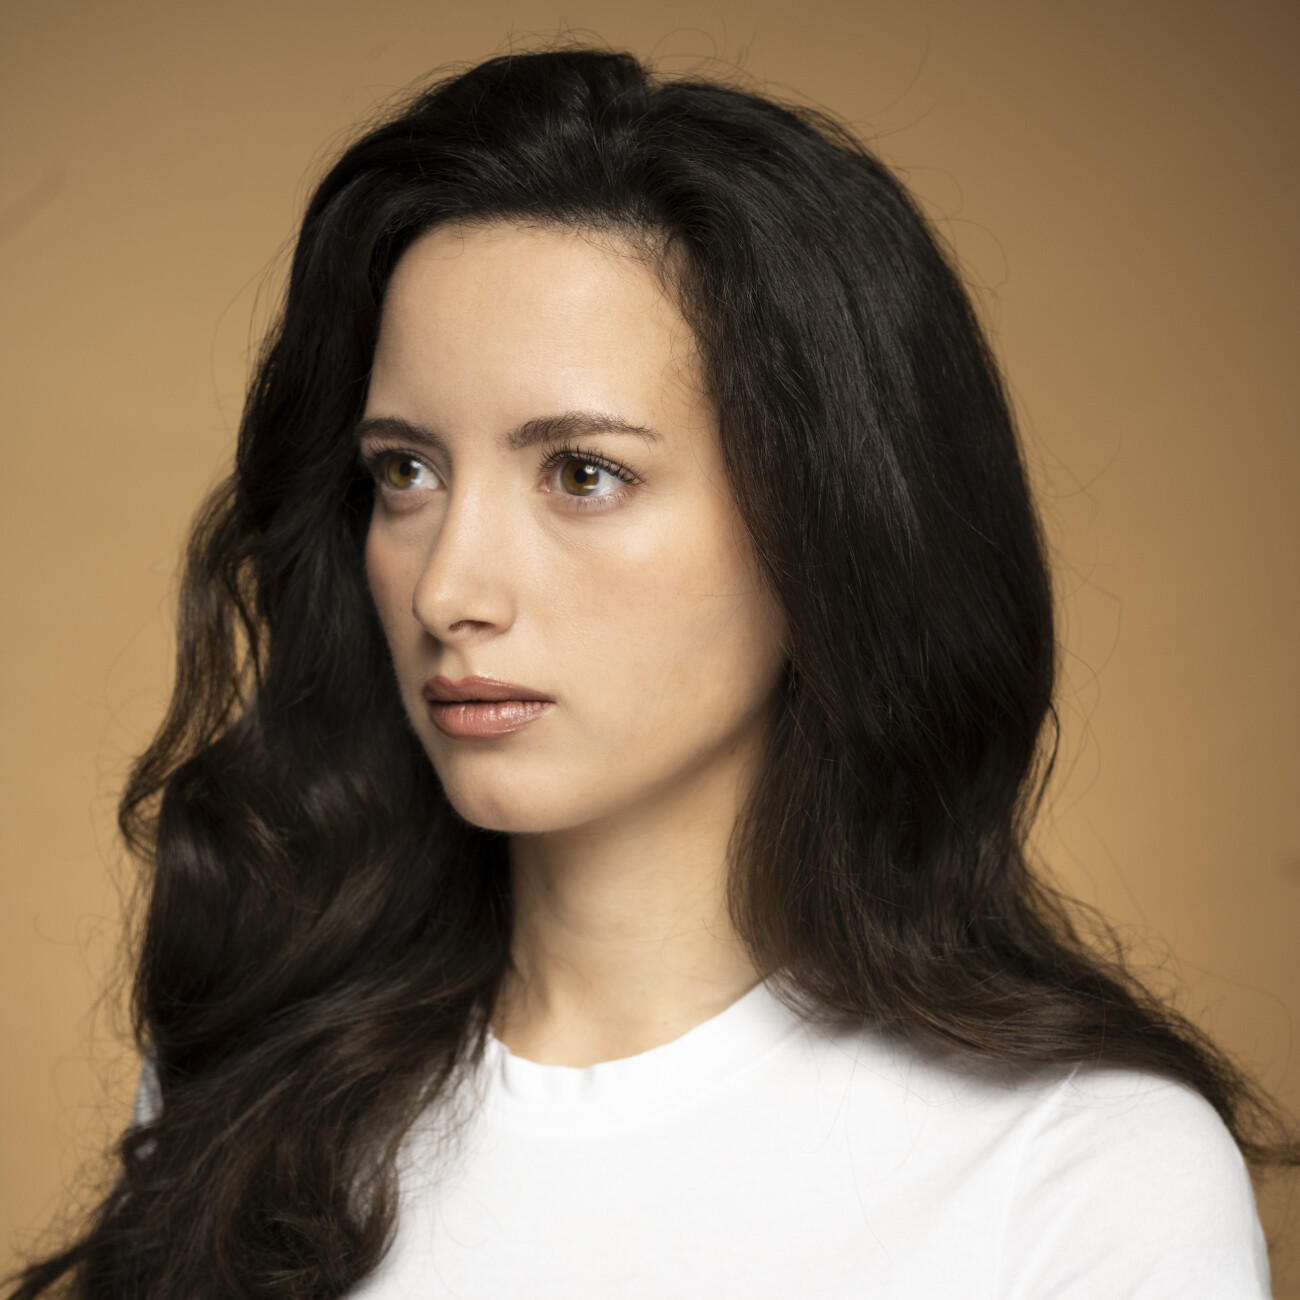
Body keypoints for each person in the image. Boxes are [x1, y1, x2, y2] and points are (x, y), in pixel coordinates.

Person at [9, 45, 1296, 1300]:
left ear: (828, 519)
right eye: (406, 471)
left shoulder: (1071, 1171)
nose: (450, 589)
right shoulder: (254, 1079)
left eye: (583, 474)